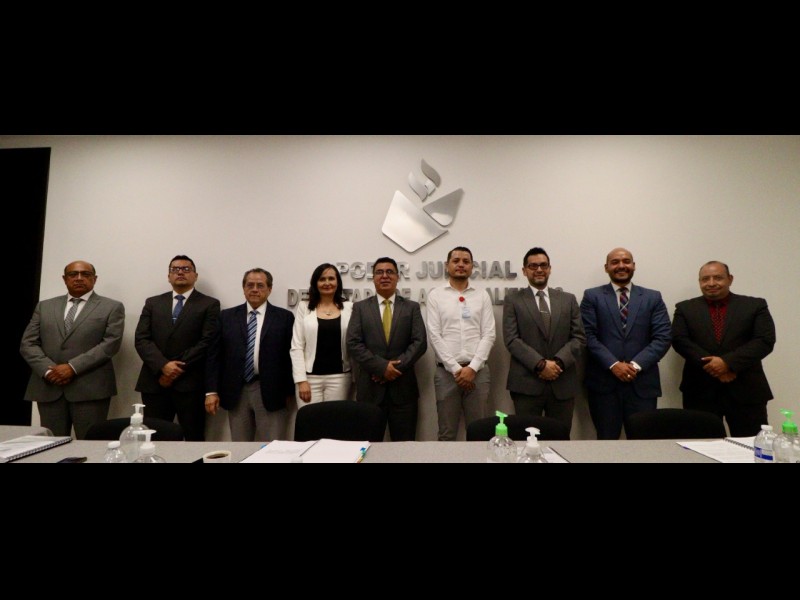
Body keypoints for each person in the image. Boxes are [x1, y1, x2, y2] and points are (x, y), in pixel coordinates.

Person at [19, 261, 125, 439]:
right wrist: (48, 370)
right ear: (65, 279)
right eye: (73, 274)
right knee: (51, 445)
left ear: (95, 279)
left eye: (85, 274)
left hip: (90, 388)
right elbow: (28, 343)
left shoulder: (112, 307)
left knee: (90, 444)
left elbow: (110, 344)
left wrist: (72, 367)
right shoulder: (45, 306)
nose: (79, 278)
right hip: (49, 386)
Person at [671, 261, 776, 437]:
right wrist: (715, 367)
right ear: (699, 282)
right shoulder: (685, 308)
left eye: (718, 278)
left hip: (746, 390)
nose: (711, 283)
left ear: (730, 279)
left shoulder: (755, 305)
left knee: (750, 446)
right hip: (700, 391)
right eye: (705, 279)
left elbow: (764, 340)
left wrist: (727, 363)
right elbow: (680, 340)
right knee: (700, 445)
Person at [580, 247, 671, 440]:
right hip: (604, 385)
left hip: (642, 385)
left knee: (643, 443)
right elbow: (588, 336)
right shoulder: (592, 296)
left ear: (634, 265)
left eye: (626, 261)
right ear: (606, 267)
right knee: (606, 442)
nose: (621, 265)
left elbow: (663, 337)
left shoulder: (652, 297)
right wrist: (613, 365)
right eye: (615, 262)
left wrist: (635, 366)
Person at [134, 255, 220, 441]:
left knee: (193, 437)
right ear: (168, 276)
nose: (180, 272)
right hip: (154, 382)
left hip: (190, 384)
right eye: (175, 269)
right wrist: (163, 366)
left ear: (195, 276)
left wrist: (174, 369)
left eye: (186, 269)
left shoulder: (209, 304)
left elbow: (206, 342)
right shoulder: (153, 303)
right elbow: (141, 339)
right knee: (154, 439)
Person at [503, 247, 585, 435]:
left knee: (561, 438)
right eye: (533, 266)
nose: (539, 269)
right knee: (525, 440)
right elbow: (511, 339)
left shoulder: (568, 299)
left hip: (562, 383)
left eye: (543, 265)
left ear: (549, 269)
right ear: (524, 270)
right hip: (526, 385)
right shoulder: (513, 300)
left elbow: (579, 337)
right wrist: (540, 365)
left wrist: (557, 363)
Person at [205, 268, 294, 441]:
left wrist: (290, 391)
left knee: (272, 446)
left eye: (260, 285)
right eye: (250, 285)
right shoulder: (226, 317)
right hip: (236, 391)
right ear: (243, 288)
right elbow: (214, 356)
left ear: (269, 289)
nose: (254, 289)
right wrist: (211, 391)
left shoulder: (284, 317)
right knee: (240, 445)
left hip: (271, 391)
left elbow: (289, 357)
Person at [346, 257, 427, 441]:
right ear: (373, 278)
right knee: (368, 445)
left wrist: (393, 369)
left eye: (389, 272)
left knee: (405, 446)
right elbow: (353, 343)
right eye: (379, 272)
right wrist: (382, 368)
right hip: (370, 390)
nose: (384, 276)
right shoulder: (360, 308)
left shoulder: (412, 307)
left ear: (397, 277)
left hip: (404, 391)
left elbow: (420, 342)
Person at [426, 246, 496, 440]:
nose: (461, 265)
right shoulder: (435, 295)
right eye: (456, 261)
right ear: (447, 265)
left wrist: (472, 368)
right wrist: (457, 369)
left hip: (478, 373)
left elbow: (489, 334)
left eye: (466, 261)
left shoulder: (482, 295)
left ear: (472, 266)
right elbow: (434, 335)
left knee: (479, 433)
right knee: (447, 433)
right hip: (446, 374)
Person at [290, 263, 354, 411]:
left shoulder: (349, 308)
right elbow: (297, 346)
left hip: (340, 378)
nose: (327, 283)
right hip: (309, 378)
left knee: (334, 422)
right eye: (322, 279)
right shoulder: (304, 307)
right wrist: (301, 380)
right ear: (315, 283)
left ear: (338, 282)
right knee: (308, 421)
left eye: (331, 278)